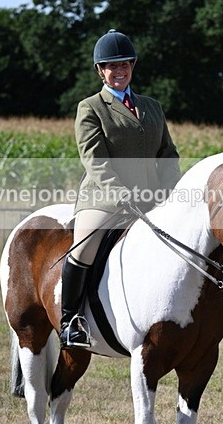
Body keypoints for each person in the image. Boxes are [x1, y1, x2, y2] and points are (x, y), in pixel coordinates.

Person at [59, 28, 181, 348]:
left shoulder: (152, 106)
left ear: (133, 66)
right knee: (83, 246)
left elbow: (167, 154)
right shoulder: (90, 108)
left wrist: (169, 190)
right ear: (100, 71)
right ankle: (70, 320)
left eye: (124, 64)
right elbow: (95, 161)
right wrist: (120, 196)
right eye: (112, 66)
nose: (119, 70)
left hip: (151, 200)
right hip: (104, 199)